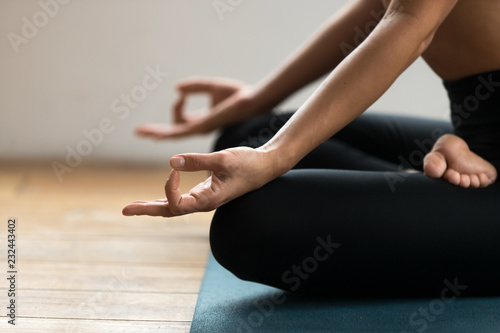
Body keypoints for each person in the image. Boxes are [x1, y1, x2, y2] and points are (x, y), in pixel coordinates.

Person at [123, 0, 500, 296]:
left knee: (253, 223)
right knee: (252, 133)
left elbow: (410, 20)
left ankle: (426, 189)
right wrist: (256, 101)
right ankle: (421, 184)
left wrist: (274, 158)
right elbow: (381, 8)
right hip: (479, 136)